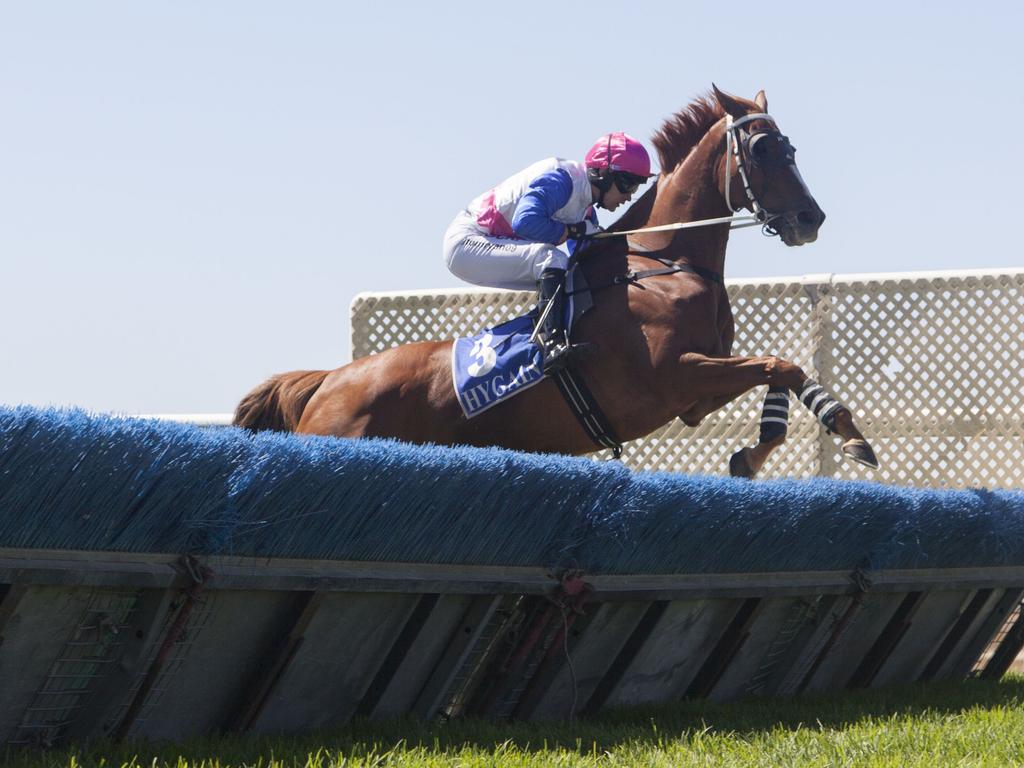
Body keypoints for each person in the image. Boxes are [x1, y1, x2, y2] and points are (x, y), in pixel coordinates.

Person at [443, 132, 653, 373]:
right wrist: (573, 230)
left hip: (483, 245)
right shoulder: (562, 180)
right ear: (603, 174)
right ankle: (550, 343)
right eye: (628, 184)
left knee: (572, 273)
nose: (629, 196)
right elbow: (525, 221)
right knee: (551, 258)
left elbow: (589, 259)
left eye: (637, 186)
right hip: (466, 243)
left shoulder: (584, 207)